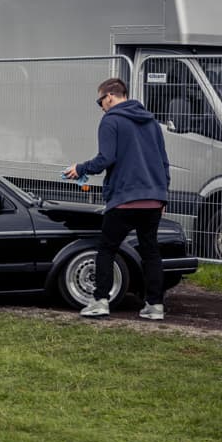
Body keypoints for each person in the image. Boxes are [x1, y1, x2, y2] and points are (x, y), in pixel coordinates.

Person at [63, 77, 170, 321]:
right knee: (151, 251)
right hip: (154, 198)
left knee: (107, 249)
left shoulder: (111, 120)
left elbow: (106, 158)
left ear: (110, 96)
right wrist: (163, 195)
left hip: (124, 197)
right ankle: (155, 305)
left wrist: (80, 168)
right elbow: (163, 161)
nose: (101, 106)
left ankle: (100, 301)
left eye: (100, 101)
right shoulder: (151, 122)